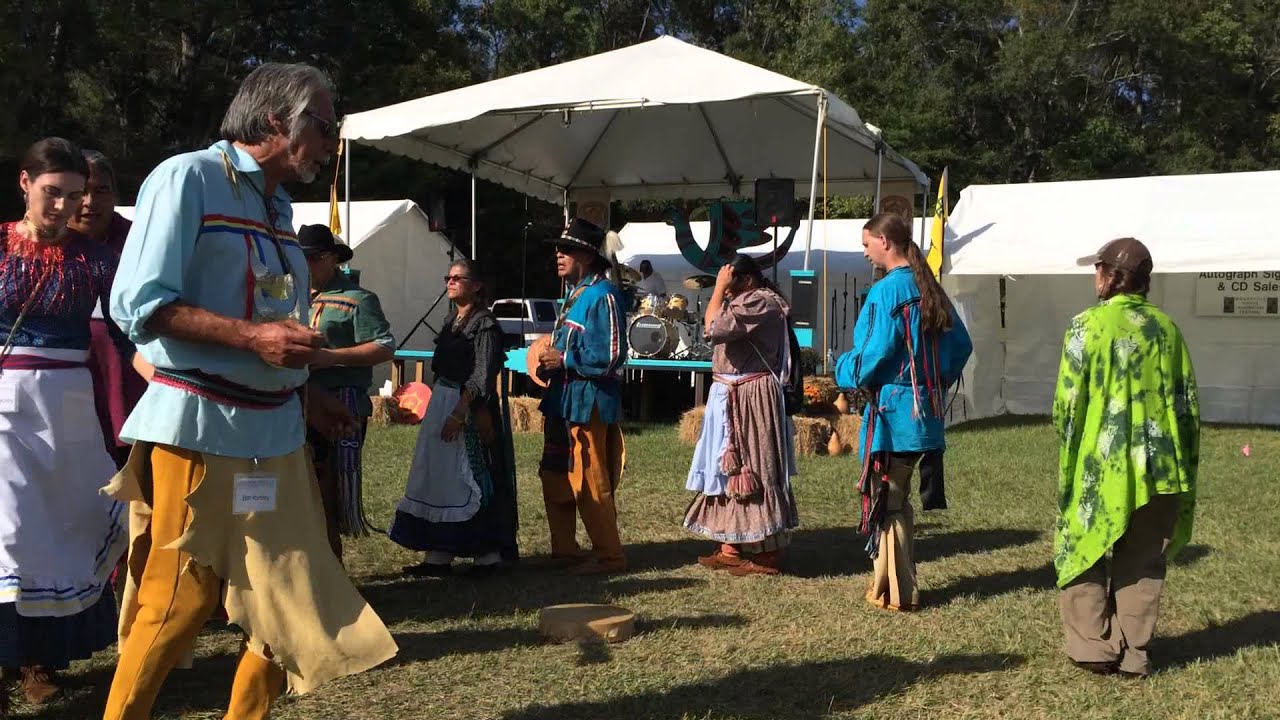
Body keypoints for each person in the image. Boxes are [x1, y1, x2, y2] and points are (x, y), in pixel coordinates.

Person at [103, 62, 397, 720]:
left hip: (276, 435)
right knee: (179, 601)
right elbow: (139, 306)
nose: (329, 143)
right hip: (196, 429)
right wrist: (252, 342)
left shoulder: (276, 206)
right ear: (273, 121)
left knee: (288, 606)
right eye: (323, 127)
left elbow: (272, 319)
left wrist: (299, 391)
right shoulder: (188, 178)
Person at [0, 138, 132, 714]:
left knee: (56, 534)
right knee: (8, 532)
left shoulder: (98, 260)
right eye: (53, 193)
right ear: (25, 183)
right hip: (5, 402)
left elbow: (133, 336)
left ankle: (38, 659)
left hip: (69, 408)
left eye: (74, 195)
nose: (64, 206)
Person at [1053, 238, 1199, 678]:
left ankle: (1093, 648)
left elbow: (1066, 405)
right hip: (1161, 467)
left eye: (1097, 269)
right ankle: (1135, 653)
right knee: (1143, 560)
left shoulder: (1086, 327)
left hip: (1103, 466)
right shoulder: (1167, 329)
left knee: (1084, 549)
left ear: (1109, 275)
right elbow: (1186, 401)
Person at [835, 213, 971, 612]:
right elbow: (961, 345)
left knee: (887, 502)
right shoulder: (929, 287)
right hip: (922, 412)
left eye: (866, 244)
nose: (864, 252)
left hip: (893, 416)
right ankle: (894, 583)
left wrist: (844, 370)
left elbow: (874, 354)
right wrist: (931, 379)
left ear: (884, 241)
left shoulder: (887, 292)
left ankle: (896, 591)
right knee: (897, 497)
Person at [391, 258, 519, 576]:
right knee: (440, 476)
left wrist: (460, 413)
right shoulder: (451, 321)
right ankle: (439, 555)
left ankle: (487, 555)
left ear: (475, 286)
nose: (450, 282)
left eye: (457, 278)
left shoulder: (484, 324)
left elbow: (481, 376)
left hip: (469, 408)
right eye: (448, 277)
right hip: (443, 399)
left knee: (472, 479)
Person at [684, 254, 798, 576]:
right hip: (729, 393)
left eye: (732, 281)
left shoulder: (761, 302)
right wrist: (723, 289)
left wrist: (719, 288)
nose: (727, 290)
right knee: (726, 469)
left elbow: (714, 326)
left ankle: (768, 554)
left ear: (747, 280)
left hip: (752, 396)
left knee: (756, 467)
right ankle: (730, 546)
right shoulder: (745, 300)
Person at [536, 217, 628, 575]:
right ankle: (566, 549)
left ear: (587, 257)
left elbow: (611, 355)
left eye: (567, 250)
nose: (559, 255)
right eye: (558, 249)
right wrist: (547, 364)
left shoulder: (602, 296)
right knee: (555, 473)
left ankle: (610, 556)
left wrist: (565, 359)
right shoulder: (575, 296)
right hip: (563, 397)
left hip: (588, 399)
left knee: (590, 477)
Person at [299, 224, 395, 560]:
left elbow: (384, 346)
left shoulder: (359, 299)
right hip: (298, 400)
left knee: (330, 485)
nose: (303, 265)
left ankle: (332, 564)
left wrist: (328, 358)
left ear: (330, 259)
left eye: (309, 258)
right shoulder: (295, 299)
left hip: (342, 399)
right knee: (303, 483)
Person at [69, 150, 147, 471]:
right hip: (69, 394)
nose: (90, 202)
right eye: (81, 192)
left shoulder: (142, 242)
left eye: (101, 190)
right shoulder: (47, 249)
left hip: (133, 392)